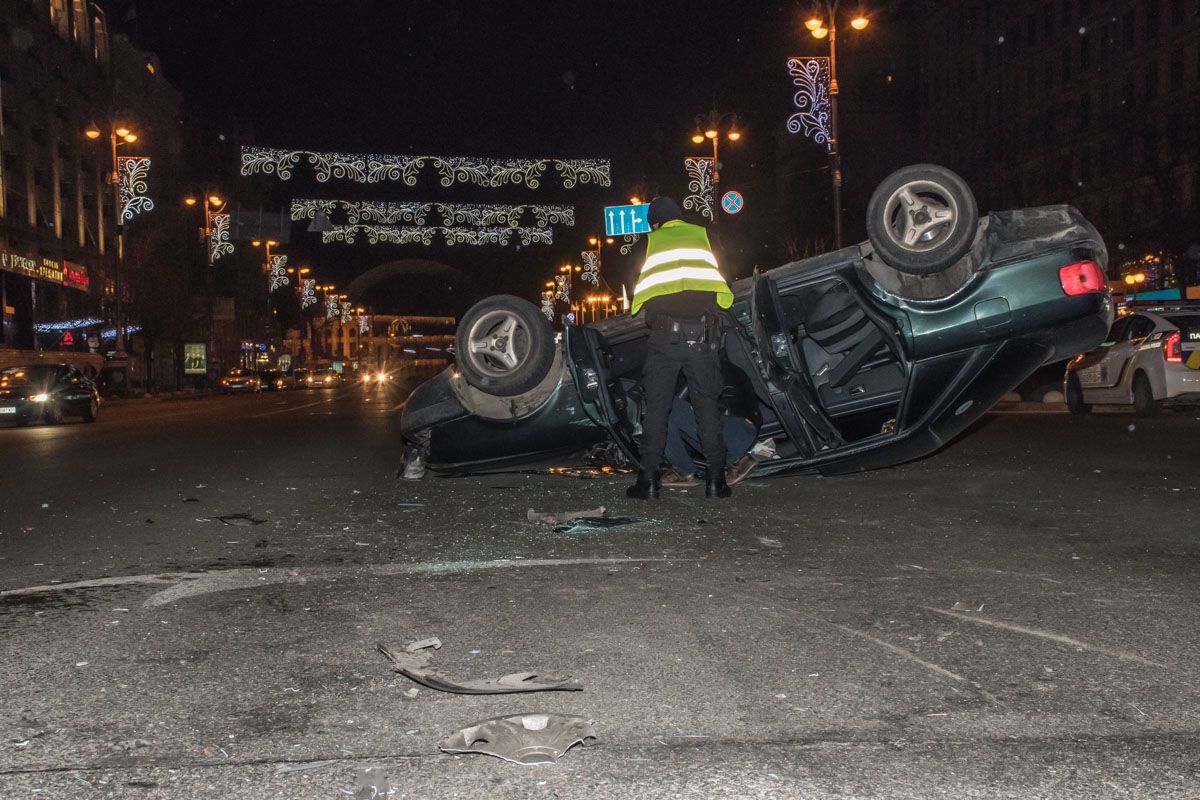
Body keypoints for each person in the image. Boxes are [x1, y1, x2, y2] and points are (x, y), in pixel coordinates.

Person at [626, 196, 735, 500]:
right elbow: (724, 279)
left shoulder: (646, 243)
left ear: (655, 223)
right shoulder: (704, 236)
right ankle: (716, 481)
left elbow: (633, 288)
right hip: (701, 337)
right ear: (680, 218)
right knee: (707, 407)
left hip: (664, 338)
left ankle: (648, 481)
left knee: (657, 410)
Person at [661, 396, 759, 488]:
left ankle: (739, 457)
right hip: (720, 446)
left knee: (664, 402)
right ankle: (683, 469)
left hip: (741, 427)